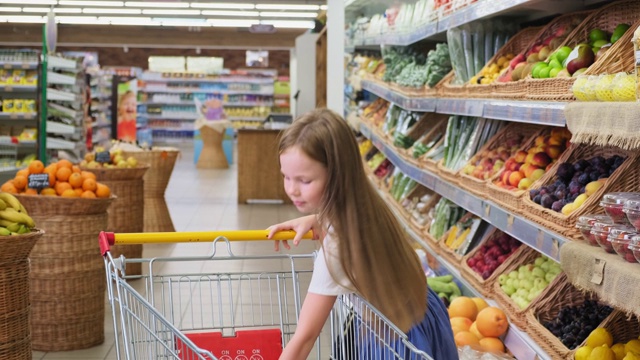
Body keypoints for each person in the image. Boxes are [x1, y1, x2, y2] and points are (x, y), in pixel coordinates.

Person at [267, 108, 458, 360]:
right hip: (425, 316)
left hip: (395, 341)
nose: (292, 189)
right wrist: (317, 219)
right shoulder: (367, 204)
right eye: (286, 177)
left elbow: (304, 339)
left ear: (336, 175)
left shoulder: (337, 247)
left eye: (304, 181)